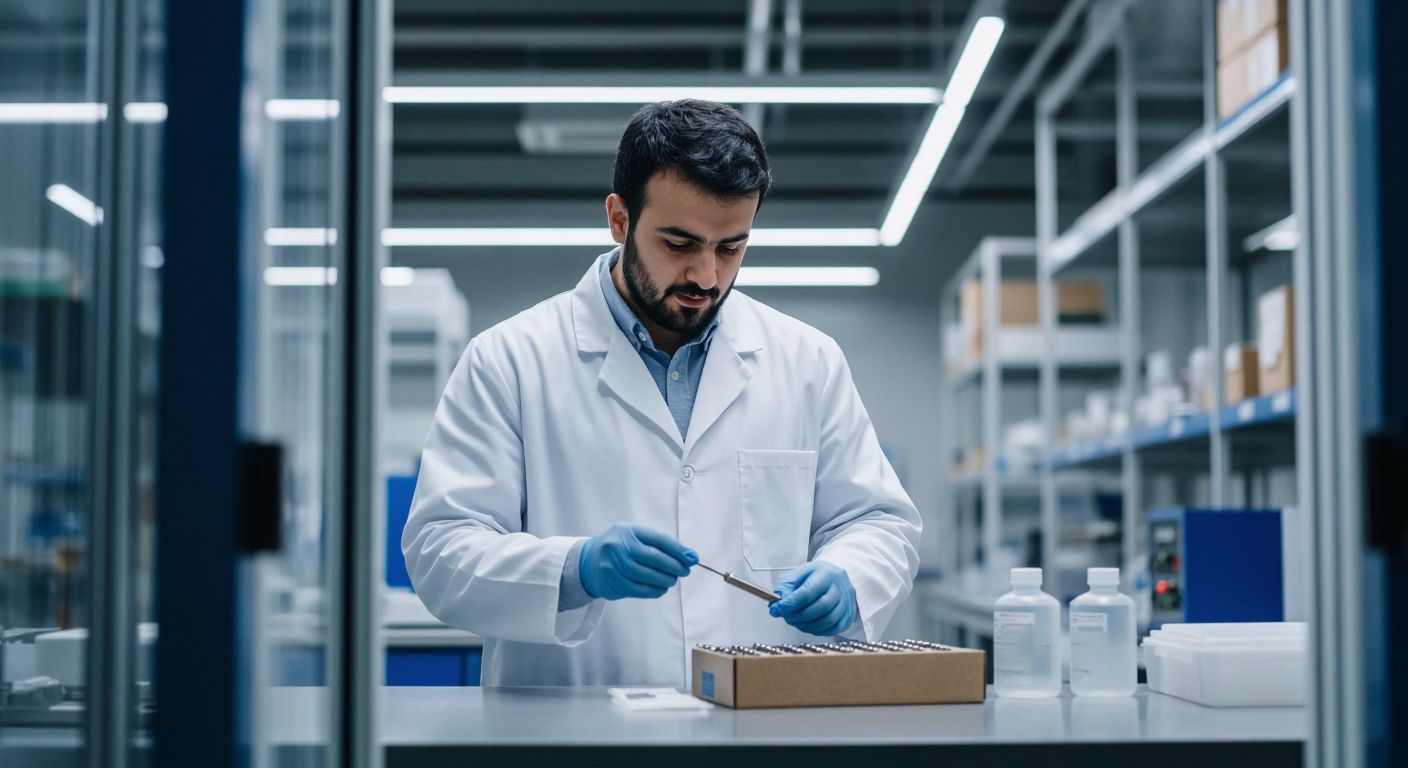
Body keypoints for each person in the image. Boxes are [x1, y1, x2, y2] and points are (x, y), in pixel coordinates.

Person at [403, 99, 921, 687]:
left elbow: (879, 520)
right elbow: (440, 550)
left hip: (753, 725)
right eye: (679, 243)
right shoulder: (510, 359)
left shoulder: (808, 361)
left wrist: (850, 575)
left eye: (731, 248)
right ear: (620, 220)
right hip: (573, 730)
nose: (706, 276)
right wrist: (574, 569)